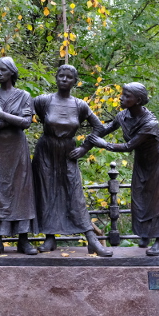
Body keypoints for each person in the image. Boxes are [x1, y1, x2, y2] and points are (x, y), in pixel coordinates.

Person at [87, 82, 159, 256]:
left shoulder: (150, 123)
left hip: (158, 162)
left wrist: (104, 144)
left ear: (138, 100)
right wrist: (86, 143)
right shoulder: (123, 115)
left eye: (126, 95)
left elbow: (129, 146)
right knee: (139, 198)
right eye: (122, 94)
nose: (121, 97)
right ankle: (145, 234)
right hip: (142, 161)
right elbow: (106, 129)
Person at [32, 64, 113, 257]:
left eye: (69, 77)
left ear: (75, 82)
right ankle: (49, 237)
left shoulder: (80, 105)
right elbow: (23, 114)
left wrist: (85, 148)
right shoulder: (43, 101)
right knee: (46, 193)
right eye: (61, 75)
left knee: (75, 195)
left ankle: (92, 240)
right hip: (46, 151)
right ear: (56, 77)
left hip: (68, 152)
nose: (64, 79)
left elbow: (99, 128)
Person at [0, 57, 37, 255]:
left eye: (3, 70)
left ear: (12, 72)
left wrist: (1, 115)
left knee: (21, 191)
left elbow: (26, 123)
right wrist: (13, 120)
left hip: (17, 150)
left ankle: (23, 239)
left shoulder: (24, 96)